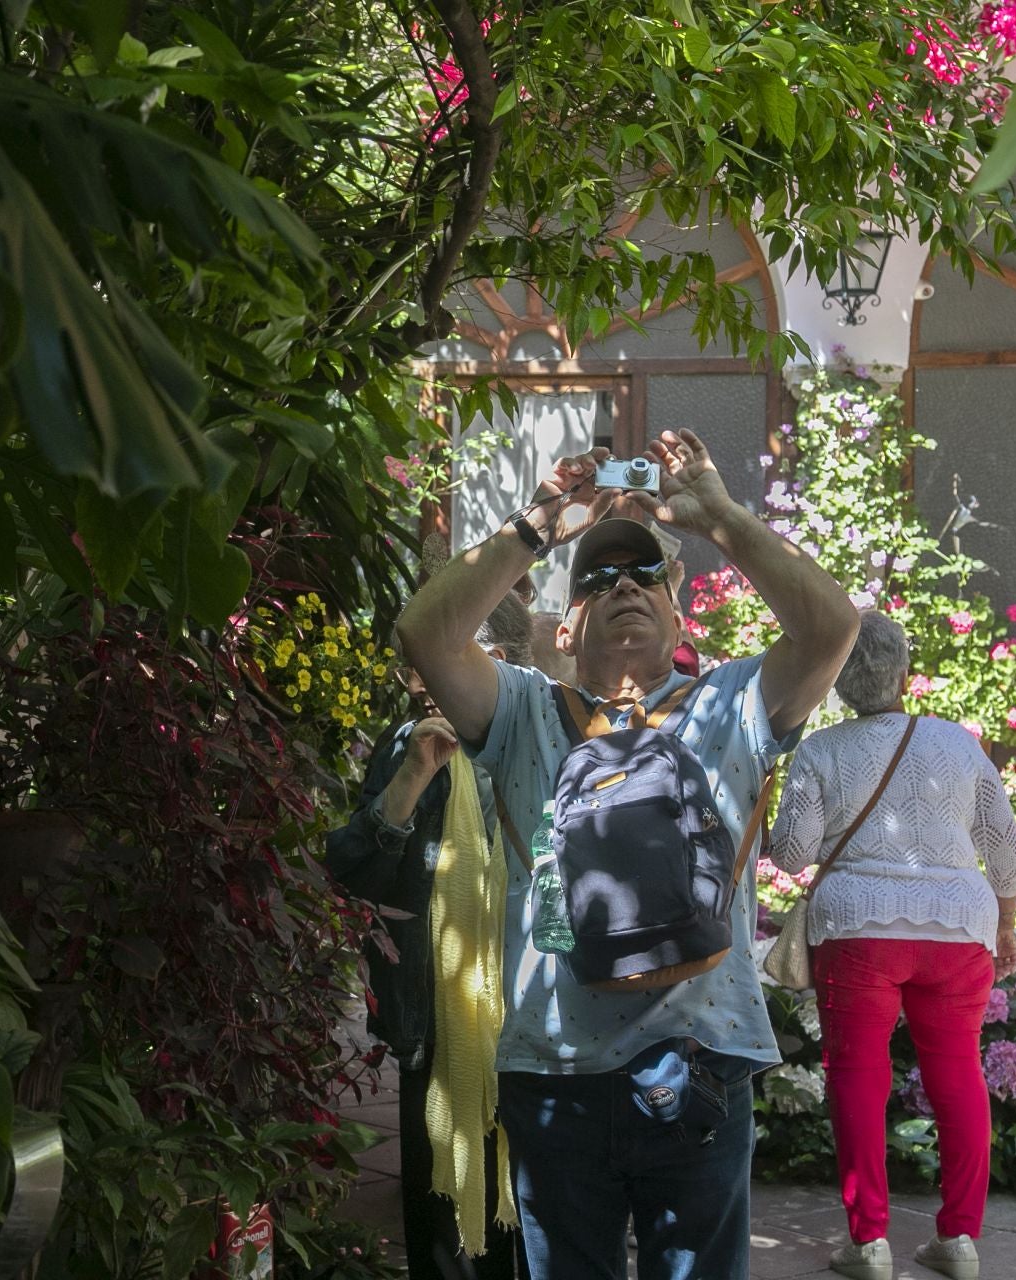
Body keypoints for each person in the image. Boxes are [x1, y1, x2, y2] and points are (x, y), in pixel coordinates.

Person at [396, 431, 857, 1280]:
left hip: (702, 1062)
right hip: (555, 1069)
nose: (624, 588)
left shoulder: (731, 703)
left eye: (645, 575)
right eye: (599, 580)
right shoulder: (525, 710)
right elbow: (426, 630)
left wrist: (722, 519)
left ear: (680, 617)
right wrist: (537, 523)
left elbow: (833, 626)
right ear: (565, 628)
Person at [766, 609, 1016, 1280]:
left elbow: (792, 856)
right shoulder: (958, 743)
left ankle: (869, 1243)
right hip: (958, 929)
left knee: (858, 1077)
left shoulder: (820, 749)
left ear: (835, 679)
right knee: (957, 1075)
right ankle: (960, 1240)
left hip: (857, 929)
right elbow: (1002, 838)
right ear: (904, 671)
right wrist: (1006, 918)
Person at [327, 595, 534, 1280]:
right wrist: (413, 778)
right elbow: (354, 867)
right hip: (435, 1009)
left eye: (430, 666)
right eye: (411, 670)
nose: (416, 683)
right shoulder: (410, 744)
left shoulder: (539, 740)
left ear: (494, 660)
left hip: (529, 1004)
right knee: (438, 1195)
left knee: (528, 1195)